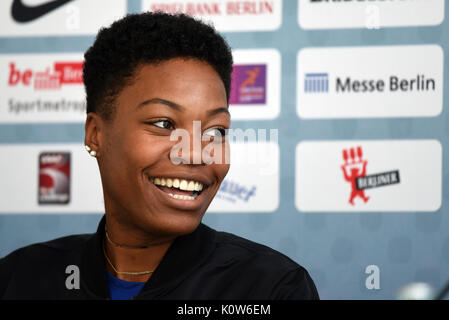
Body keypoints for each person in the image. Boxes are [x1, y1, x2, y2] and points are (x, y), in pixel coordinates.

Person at [0, 12, 319, 300]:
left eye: (215, 131)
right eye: (164, 124)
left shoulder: (271, 288)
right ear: (95, 133)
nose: (195, 153)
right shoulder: (19, 279)